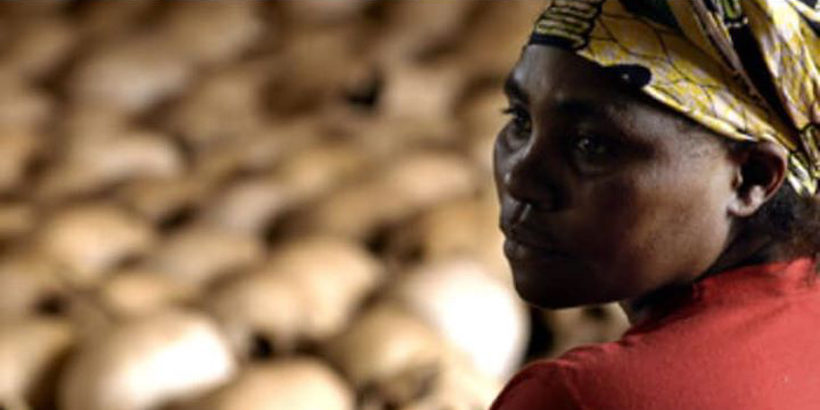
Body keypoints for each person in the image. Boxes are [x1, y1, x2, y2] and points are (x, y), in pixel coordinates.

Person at [491, 0, 820, 408]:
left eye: (591, 145)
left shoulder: (578, 397)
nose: (519, 180)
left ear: (750, 179)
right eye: (520, 120)